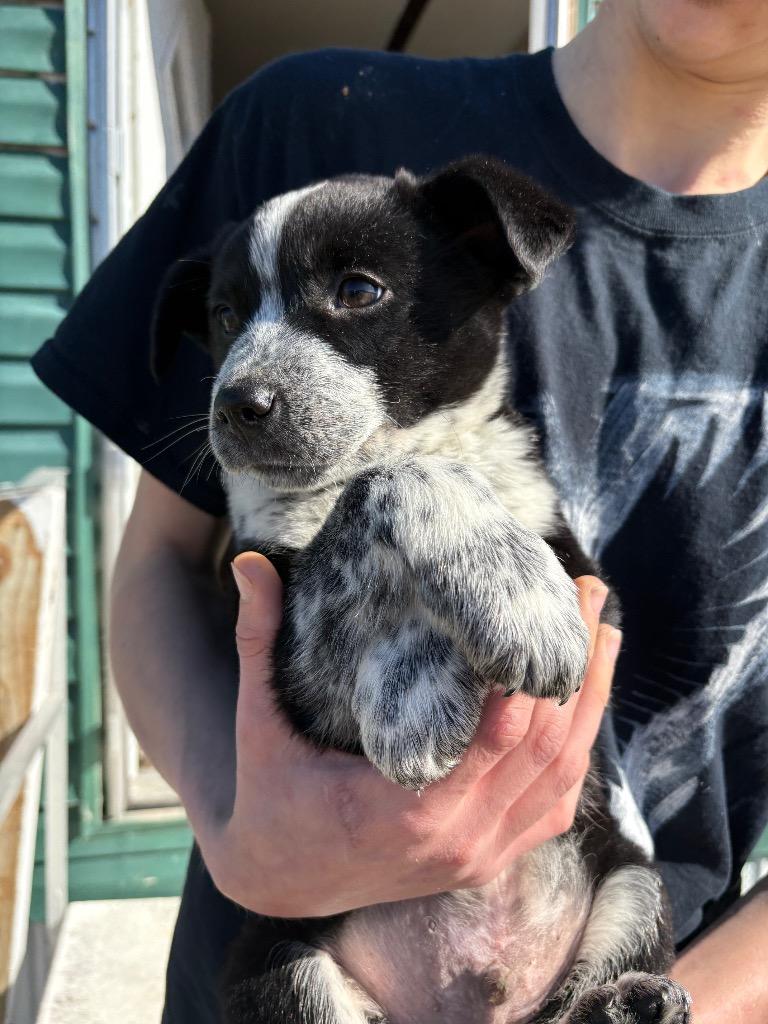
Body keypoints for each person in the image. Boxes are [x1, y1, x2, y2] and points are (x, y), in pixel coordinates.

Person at [32, 0, 768, 1020]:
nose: (247, 374)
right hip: (325, 962)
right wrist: (241, 827)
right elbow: (159, 564)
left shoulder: (469, 234)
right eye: (233, 320)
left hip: (610, 942)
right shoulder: (306, 124)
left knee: (628, 904)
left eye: (359, 292)